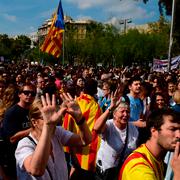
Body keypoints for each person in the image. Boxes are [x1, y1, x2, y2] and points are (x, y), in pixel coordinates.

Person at [15, 93, 92, 180]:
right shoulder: (25, 145)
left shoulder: (57, 132)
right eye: (46, 117)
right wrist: (48, 125)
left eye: (54, 114)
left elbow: (85, 141)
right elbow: (36, 171)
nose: (53, 119)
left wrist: (79, 118)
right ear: (34, 122)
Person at [118, 108, 180, 180]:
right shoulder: (139, 169)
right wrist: (178, 174)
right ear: (154, 131)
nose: (178, 135)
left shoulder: (156, 157)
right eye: (172, 129)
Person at [63, 78, 102, 180]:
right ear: (96, 91)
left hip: (72, 143)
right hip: (87, 149)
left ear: (83, 89)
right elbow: (98, 129)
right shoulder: (96, 107)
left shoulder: (74, 102)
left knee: (72, 169)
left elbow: (66, 123)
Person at [94, 93, 138, 180]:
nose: (125, 114)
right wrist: (110, 108)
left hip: (123, 171)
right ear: (114, 114)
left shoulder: (133, 128)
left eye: (128, 112)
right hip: (106, 174)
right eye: (122, 111)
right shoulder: (109, 125)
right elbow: (96, 128)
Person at [1, 83, 36, 179]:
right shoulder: (12, 113)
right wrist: (33, 130)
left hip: (32, 154)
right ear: (19, 94)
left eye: (33, 94)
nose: (30, 95)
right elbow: (12, 138)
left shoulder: (34, 111)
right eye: (26, 92)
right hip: (15, 158)